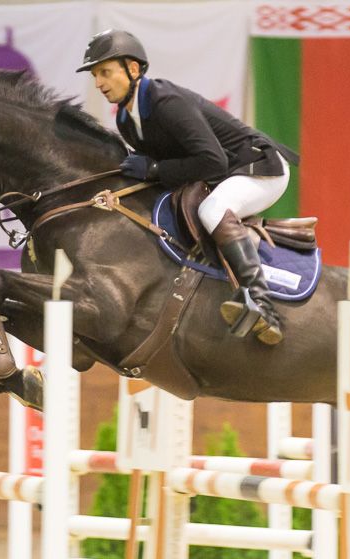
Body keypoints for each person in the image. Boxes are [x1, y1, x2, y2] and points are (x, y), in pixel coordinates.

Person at [78, 29, 299, 346]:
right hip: (224, 174)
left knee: (212, 210)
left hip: (260, 168)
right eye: (95, 76)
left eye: (105, 72)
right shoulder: (126, 120)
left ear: (133, 69)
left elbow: (213, 161)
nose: (99, 83)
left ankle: (262, 304)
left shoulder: (166, 102)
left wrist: (155, 169)